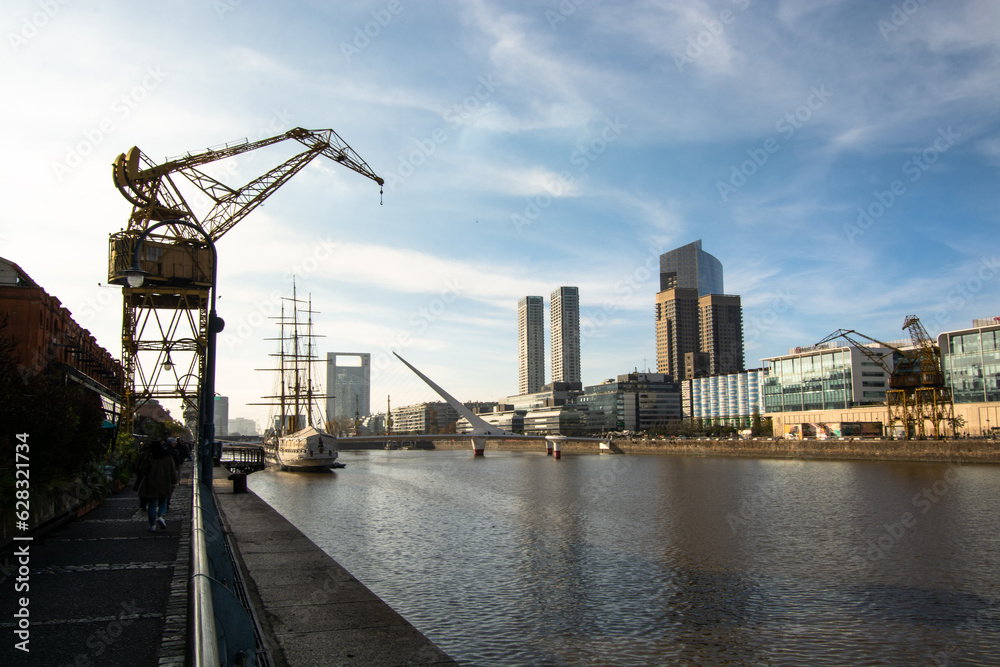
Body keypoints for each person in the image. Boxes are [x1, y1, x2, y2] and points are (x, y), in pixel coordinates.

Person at [137, 440, 179, 532]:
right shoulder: (168, 457)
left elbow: (142, 469)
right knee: (163, 501)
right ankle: (161, 516)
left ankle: (152, 525)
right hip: (165, 483)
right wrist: (174, 482)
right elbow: (173, 471)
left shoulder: (150, 457)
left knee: (152, 504)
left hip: (151, 483)